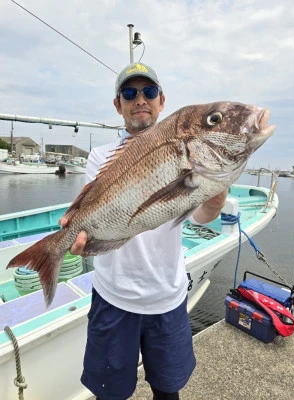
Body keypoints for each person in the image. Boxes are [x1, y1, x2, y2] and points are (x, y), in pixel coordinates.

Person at [62, 62, 227, 400]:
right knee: (110, 394)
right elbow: (97, 215)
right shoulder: (101, 156)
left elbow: (203, 217)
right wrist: (84, 239)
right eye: (129, 92)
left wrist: (217, 196)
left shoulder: (189, 154)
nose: (140, 99)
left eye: (148, 92)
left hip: (167, 298)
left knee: (168, 391)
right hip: (114, 297)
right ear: (118, 104)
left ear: (161, 101)